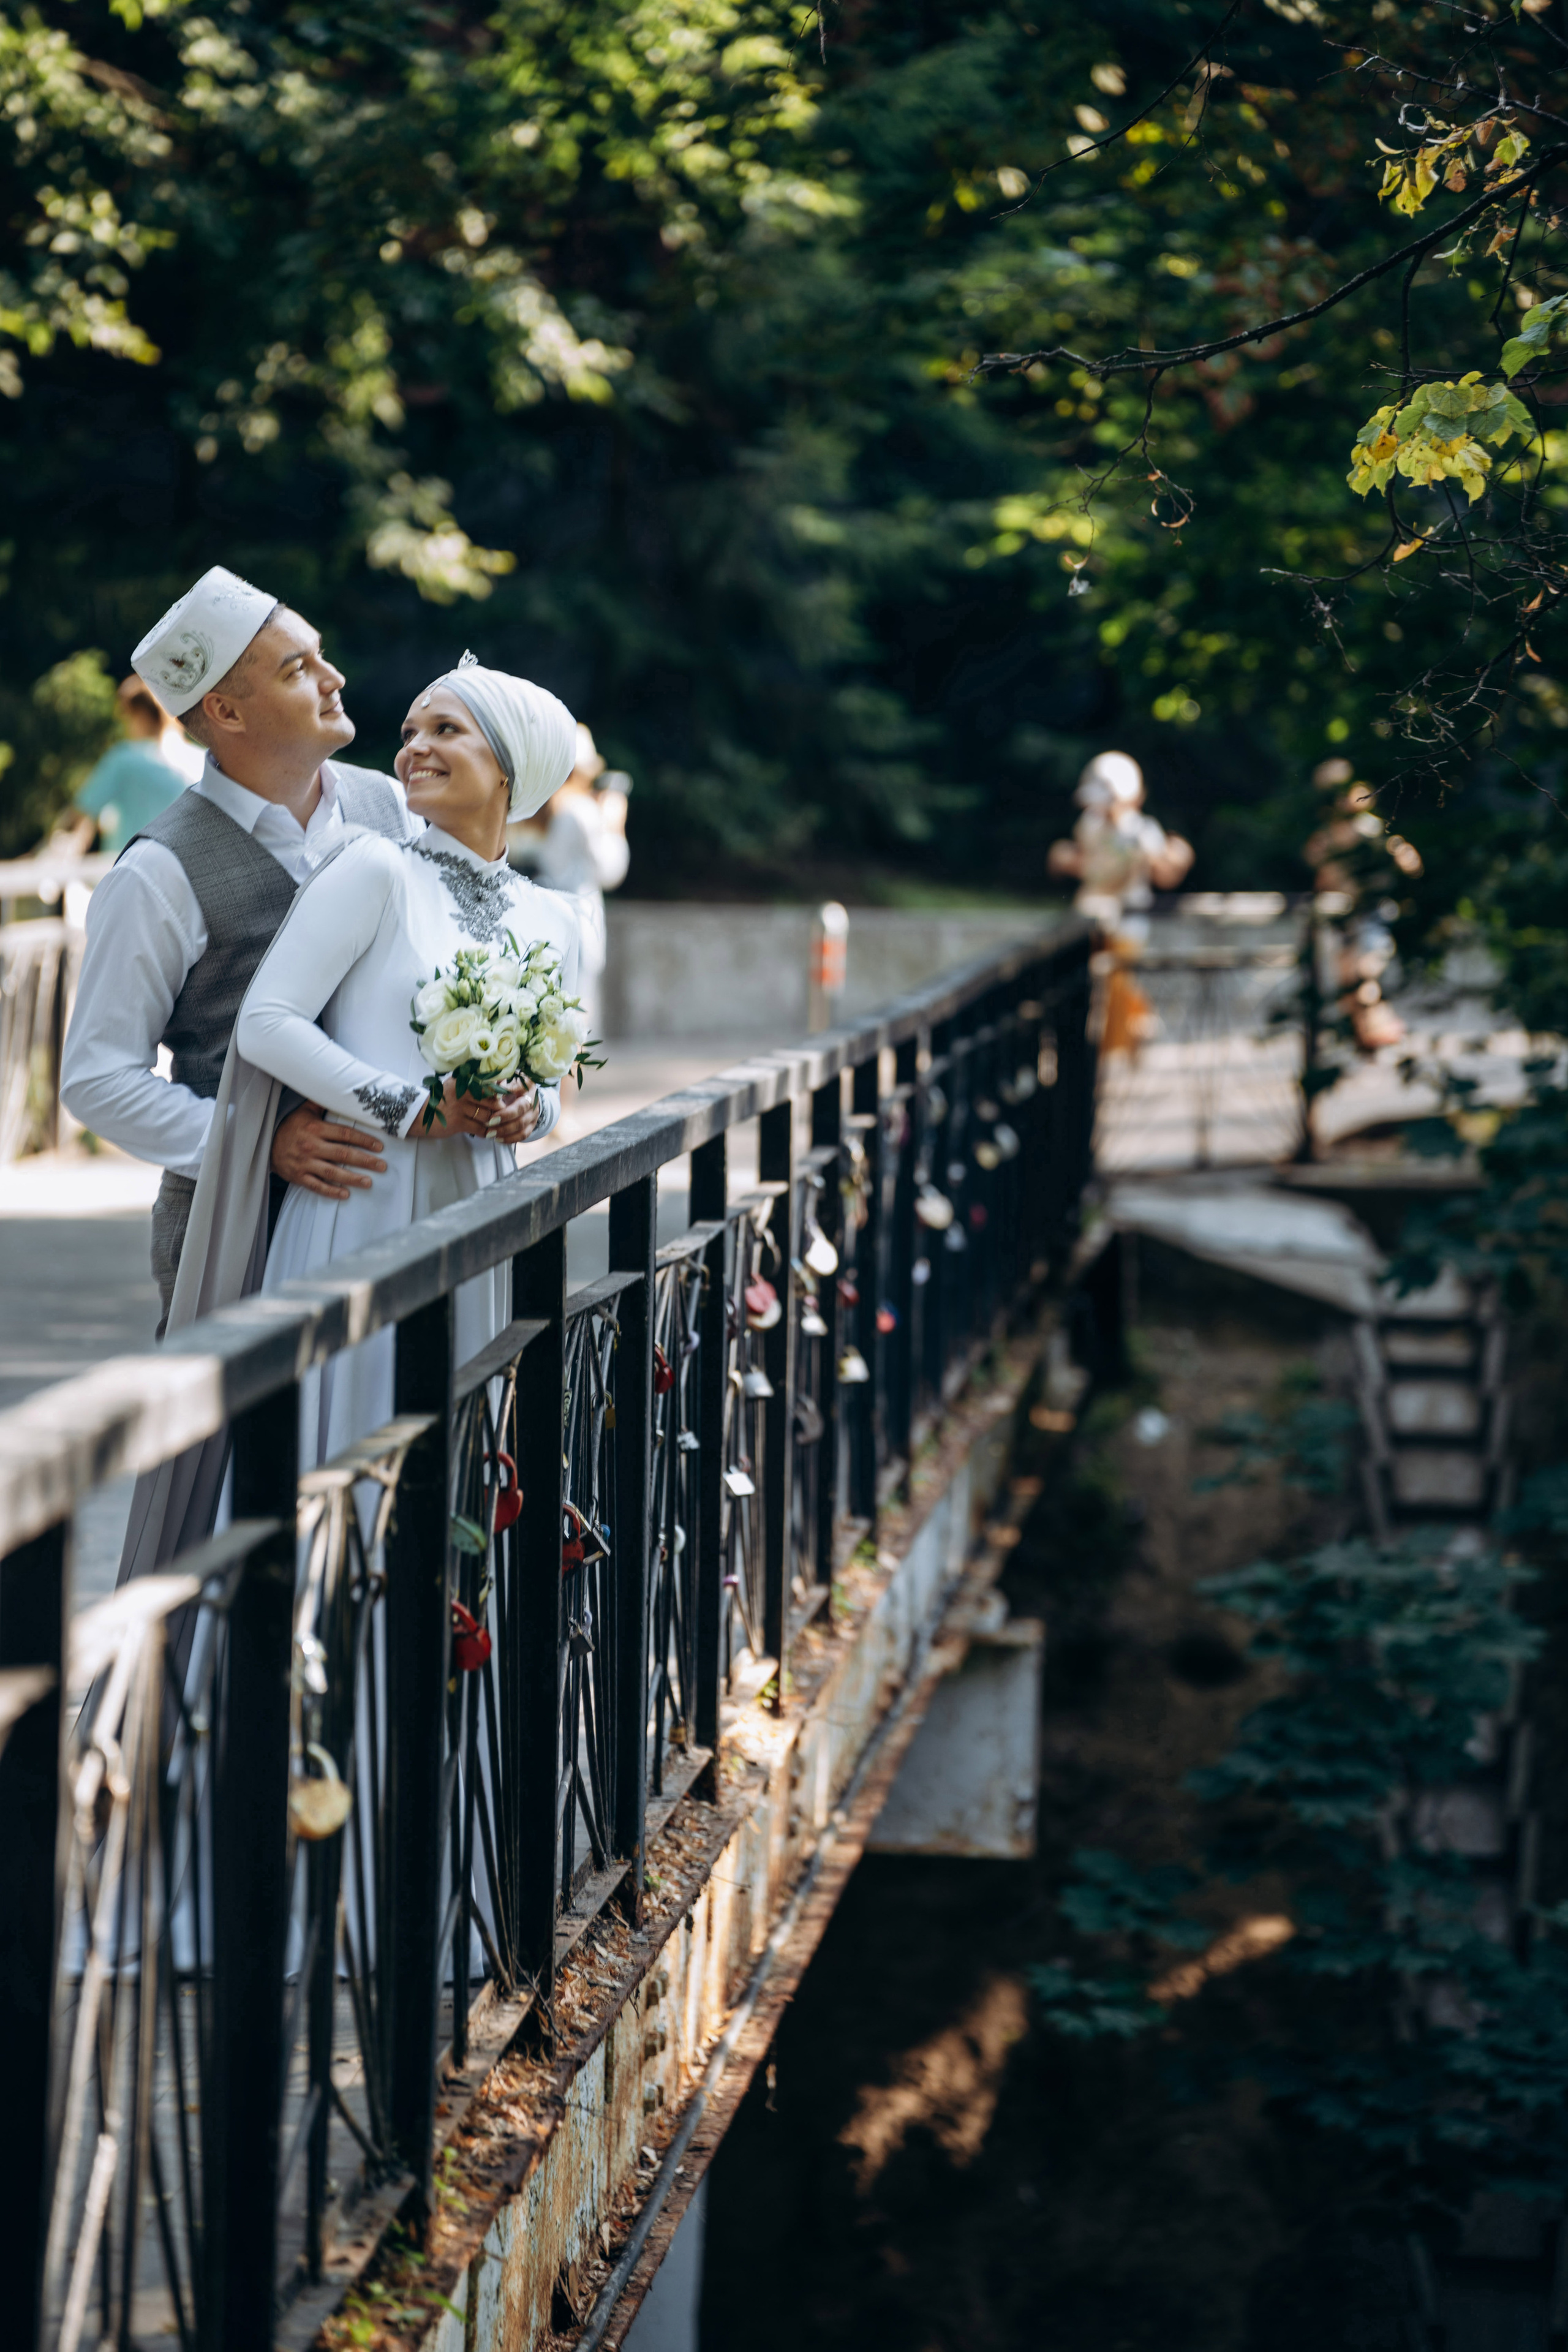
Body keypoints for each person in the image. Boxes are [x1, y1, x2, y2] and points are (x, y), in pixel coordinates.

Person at [118, 652, 580, 1579]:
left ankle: (431, 1705)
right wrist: (408, 1109)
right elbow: (267, 1024)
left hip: (477, 1207)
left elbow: (552, 1082)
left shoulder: (557, 916)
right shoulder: (372, 868)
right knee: (350, 1460)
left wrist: (527, 1106)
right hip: (358, 1200)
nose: (412, 749)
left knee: (456, 1454)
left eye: (445, 731)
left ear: (512, 765)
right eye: (410, 731)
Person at [61, 567, 540, 1333]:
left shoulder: (394, 806)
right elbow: (96, 1079)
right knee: (251, 1451)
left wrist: (510, 1083)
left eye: (319, 655)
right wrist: (255, 1144)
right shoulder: (156, 874)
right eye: (297, 669)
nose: (333, 677)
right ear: (224, 709)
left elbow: (459, 960)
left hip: (407, 1212)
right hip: (234, 1227)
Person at [1047, 751, 1194, 1054]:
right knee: (1085, 984)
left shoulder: (1141, 831)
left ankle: (1125, 1039)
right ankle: (1111, 1039)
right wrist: (1065, 859)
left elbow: (1165, 873)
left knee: (1117, 981)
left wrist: (1176, 857)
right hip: (1089, 918)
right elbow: (1085, 862)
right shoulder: (1089, 824)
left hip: (1128, 921)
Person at [508, 722, 628, 1039]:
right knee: (573, 1018)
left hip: (540, 921)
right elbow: (610, 870)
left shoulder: (535, 810)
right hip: (577, 922)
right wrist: (615, 824)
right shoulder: (581, 811)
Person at [72, 674, 203, 858]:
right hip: (189, 872)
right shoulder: (202, 760)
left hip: (133, 873)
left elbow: (80, 816)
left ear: (139, 715)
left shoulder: (124, 760)